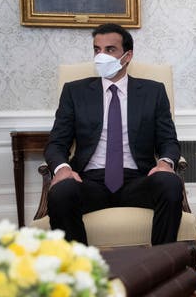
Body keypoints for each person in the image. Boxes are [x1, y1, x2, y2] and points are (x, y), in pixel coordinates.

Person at [45, 23, 183, 245]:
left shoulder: (153, 92)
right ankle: (80, 272)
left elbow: (168, 141)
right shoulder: (75, 91)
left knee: (170, 184)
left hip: (137, 179)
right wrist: (62, 169)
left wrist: (166, 163)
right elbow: (56, 143)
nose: (101, 56)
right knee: (62, 191)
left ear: (127, 56)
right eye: (97, 50)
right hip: (89, 181)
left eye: (109, 50)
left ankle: (161, 265)